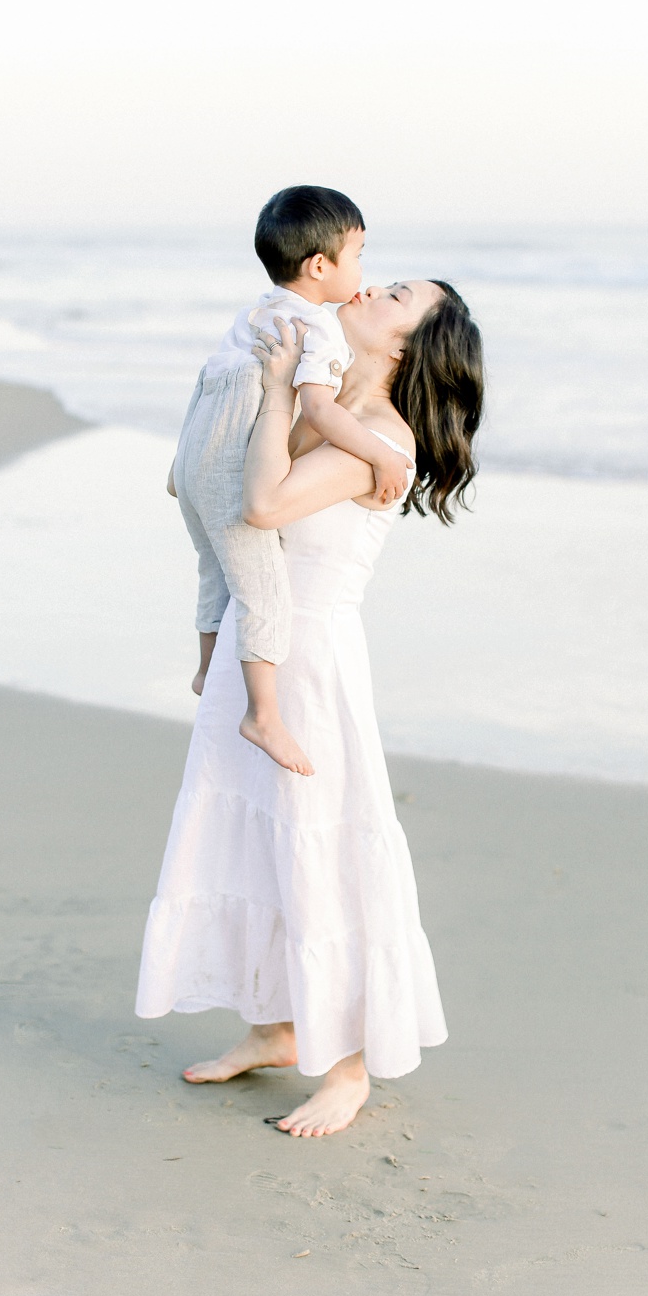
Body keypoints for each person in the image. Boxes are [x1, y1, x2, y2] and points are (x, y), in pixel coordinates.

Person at [136, 276, 484, 1136]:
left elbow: (263, 503)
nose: (370, 286)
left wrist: (289, 391)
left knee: (321, 849)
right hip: (259, 639)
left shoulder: (381, 438)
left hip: (309, 665)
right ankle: (277, 1028)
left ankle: (349, 1067)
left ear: (407, 348)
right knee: (253, 838)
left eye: (396, 296)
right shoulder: (328, 405)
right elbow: (219, 497)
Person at [172, 185, 411, 778]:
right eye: (359, 255)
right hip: (233, 469)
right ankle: (264, 714)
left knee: (212, 574)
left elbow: (214, 382)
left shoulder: (257, 310)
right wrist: (382, 457)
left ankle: (206, 669)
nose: (366, 276)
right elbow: (322, 412)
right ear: (320, 266)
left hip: (196, 452)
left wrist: (182, 464)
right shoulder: (320, 332)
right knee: (260, 591)